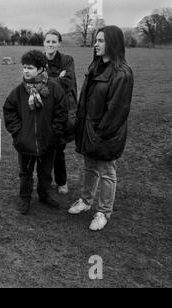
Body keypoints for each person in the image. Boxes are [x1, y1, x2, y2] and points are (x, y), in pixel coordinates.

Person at [68, 26, 134, 231]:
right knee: (89, 167)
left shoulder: (122, 73)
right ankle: (86, 201)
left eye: (101, 41)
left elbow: (117, 110)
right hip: (88, 128)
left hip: (106, 133)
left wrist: (100, 134)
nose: (95, 44)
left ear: (113, 44)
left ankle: (104, 212)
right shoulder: (95, 66)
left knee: (106, 171)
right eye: (96, 40)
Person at [3, 50, 68, 215]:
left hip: (48, 141)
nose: (25, 71)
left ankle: (44, 195)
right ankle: (25, 198)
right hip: (26, 142)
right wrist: (18, 133)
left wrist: (54, 134)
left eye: (30, 68)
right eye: (24, 67)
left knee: (45, 172)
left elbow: (62, 113)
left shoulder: (54, 89)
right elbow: (9, 111)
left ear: (40, 69)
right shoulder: (19, 91)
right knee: (25, 173)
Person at [43, 29, 78, 195]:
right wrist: (57, 79)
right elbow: (31, 82)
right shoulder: (39, 59)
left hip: (61, 112)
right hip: (43, 111)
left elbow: (67, 84)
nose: (50, 44)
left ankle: (62, 182)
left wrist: (45, 81)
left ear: (59, 44)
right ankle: (46, 180)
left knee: (58, 149)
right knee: (44, 148)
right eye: (48, 41)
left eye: (53, 42)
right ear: (44, 43)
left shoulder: (67, 60)